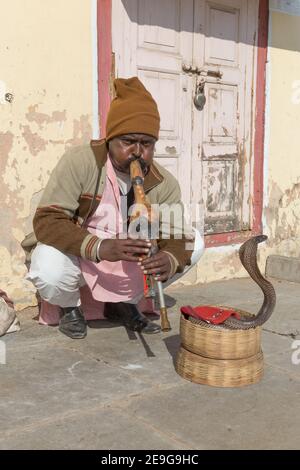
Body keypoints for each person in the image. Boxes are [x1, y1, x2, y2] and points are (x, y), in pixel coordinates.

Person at [23, 77, 204, 339]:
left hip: (128, 262)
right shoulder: (81, 161)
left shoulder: (163, 181)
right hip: (84, 252)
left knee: (194, 243)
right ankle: (69, 307)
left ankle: (124, 303)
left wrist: (170, 259)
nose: (137, 152)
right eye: (128, 141)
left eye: (146, 144)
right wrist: (101, 247)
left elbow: (177, 235)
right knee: (47, 263)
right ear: (110, 139)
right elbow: (47, 220)